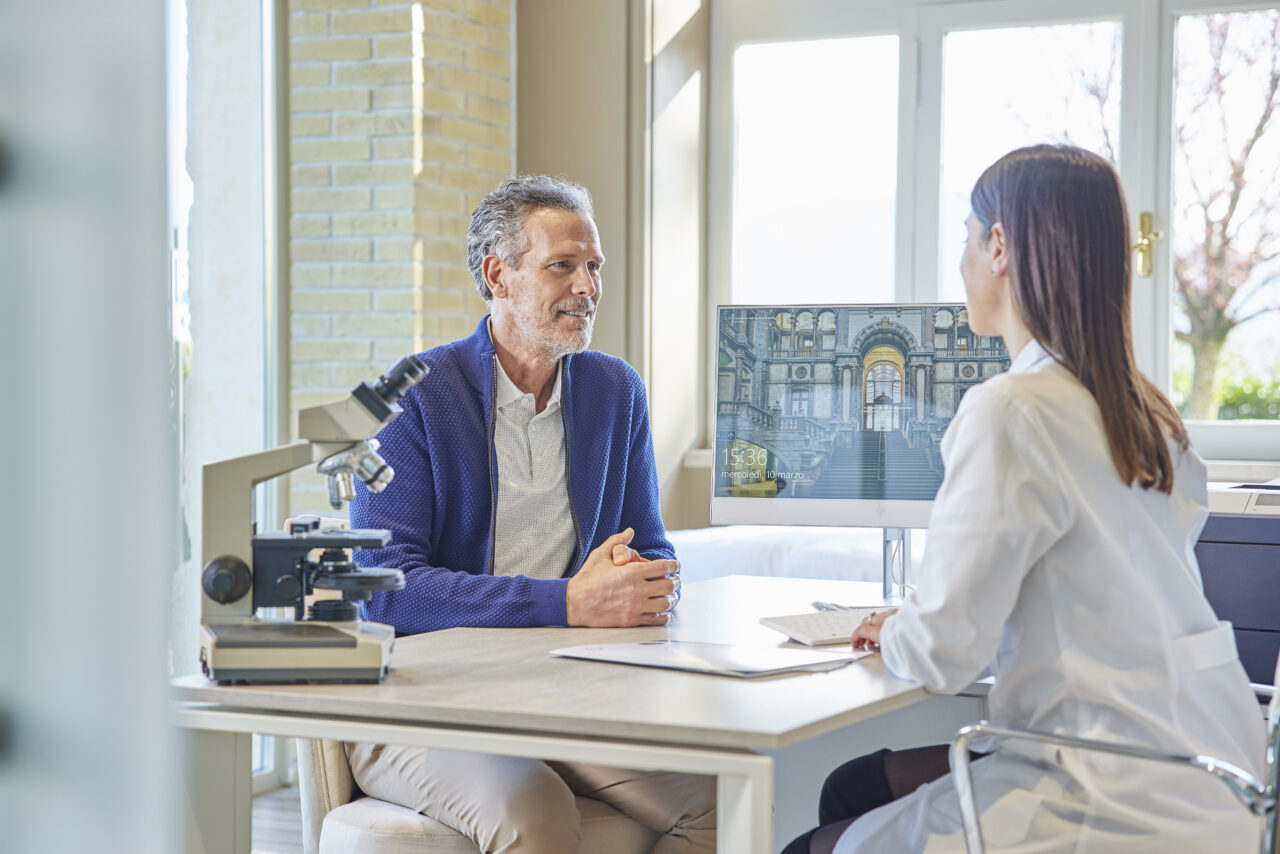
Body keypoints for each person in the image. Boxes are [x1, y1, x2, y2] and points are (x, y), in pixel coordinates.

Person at [782, 145, 1265, 854]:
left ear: (999, 244)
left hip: (1104, 793)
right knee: (854, 788)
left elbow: (944, 651)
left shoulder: (1012, 409)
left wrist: (893, 629)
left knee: (809, 847)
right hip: (1209, 774)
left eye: (967, 239)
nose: (962, 262)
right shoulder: (1148, 414)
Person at [346, 175, 716, 853]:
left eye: (593, 267)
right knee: (534, 808)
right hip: (423, 703)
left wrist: (644, 582)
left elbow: (655, 550)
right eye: (562, 266)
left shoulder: (615, 391)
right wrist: (570, 600)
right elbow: (383, 591)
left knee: (722, 802)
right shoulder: (414, 400)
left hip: (563, 695)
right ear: (499, 275)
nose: (587, 287)